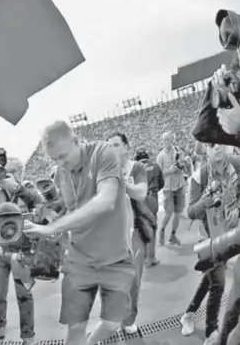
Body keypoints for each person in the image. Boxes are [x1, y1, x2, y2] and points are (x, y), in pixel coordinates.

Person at [24, 120, 135, 345]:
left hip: (115, 256)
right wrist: (39, 227)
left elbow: (106, 200)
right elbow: (65, 211)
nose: (60, 164)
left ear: (77, 141)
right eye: (54, 159)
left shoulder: (103, 152)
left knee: (113, 324)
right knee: (75, 328)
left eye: (63, 156)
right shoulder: (60, 174)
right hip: (79, 259)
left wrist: (53, 227)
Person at [179, 143, 240, 345]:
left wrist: (238, 208)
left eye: (221, 143)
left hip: (230, 235)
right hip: (209, 238)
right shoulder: (200, 176)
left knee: (209, 279)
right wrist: (206, 200)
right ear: (206, 149)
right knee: (219, 284)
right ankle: (211, 333)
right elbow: (190, 212)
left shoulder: (236, 165)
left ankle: (188, 313)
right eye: (212, 145)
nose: (218, 148)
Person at [107, 132, 153, 334]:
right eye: (109, 147)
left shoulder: (137, 167)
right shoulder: (102, 171)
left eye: (116, 145)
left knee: (133, 278)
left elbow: (141, 193)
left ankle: (129, 318)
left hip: (134, 229)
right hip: (111, 232)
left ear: (126, 147)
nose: (113, 150)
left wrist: (122, 182)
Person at [0, 156, 38, 343]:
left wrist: (18, 189)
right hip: (0, 251)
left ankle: (28, 335)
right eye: (4, 172)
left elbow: (38, 201)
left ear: (20, 173)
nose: (6, 176)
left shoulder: (28, 188)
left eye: (11, 172)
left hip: (22, 252)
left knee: (24, 294)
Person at [133, 147, 164, 266]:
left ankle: (142, 256)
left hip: (139, 199)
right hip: (152, 198)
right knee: (152, 227)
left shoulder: (133, 168)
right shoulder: (155, 166)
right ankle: (151, 258)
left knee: (140, 228)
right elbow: (162, 183)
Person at [157, 132, 187, 246]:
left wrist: (181, 165)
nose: (166, 142)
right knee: (169, 213)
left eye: (168, 140)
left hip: (179, 186)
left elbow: (183, 167)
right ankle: (162, 230)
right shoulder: (160, 156)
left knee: (178, 212)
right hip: (168, 188)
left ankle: (172, 236)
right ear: (162, 141)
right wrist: (170, 170)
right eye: (164, 140)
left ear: (172, 140)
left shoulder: (178, 152)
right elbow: (159, 175)